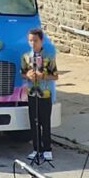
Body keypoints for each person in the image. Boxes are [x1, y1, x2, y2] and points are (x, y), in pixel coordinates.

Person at [22, 22, 58, 161]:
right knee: (34, 121)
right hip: (32, 93)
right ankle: (36, 149)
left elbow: (55, 75)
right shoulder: (25, 56)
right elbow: (23, 73)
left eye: (35, 40)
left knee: (45, 122)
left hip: (45, 93)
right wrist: (28, 75)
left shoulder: (48, 56)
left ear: (41, 40)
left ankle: (47, 148)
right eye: (30, 40)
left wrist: (43, 75)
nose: (33, 43)